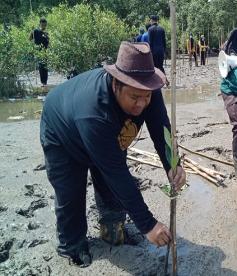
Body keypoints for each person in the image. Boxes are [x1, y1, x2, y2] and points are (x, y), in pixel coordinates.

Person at [40, 42, 186, 267]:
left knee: (110, 186)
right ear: (116, 83)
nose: (141, 104)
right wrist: (147, 225)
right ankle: (72, 245)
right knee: (70, 190)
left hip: (107, 134)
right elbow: (117, 173)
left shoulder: (147, 89)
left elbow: (162, 130)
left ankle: (111, 229)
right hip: (63, 133)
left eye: (146, 97)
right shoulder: (94, 113)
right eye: (135, 97)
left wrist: (172, 163)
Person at [30, 17, 49, 87]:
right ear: (40, 24)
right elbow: (29, 39)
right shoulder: (35, 31)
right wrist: (31, 32)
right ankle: (43, 82)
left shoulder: (46, 33)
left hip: (45, 52)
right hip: (38, 52)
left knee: (45, 67)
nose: (44, 26)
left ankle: (45, 82)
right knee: (41, 66)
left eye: (45, 25)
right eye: (43, 25)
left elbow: (48, 43)